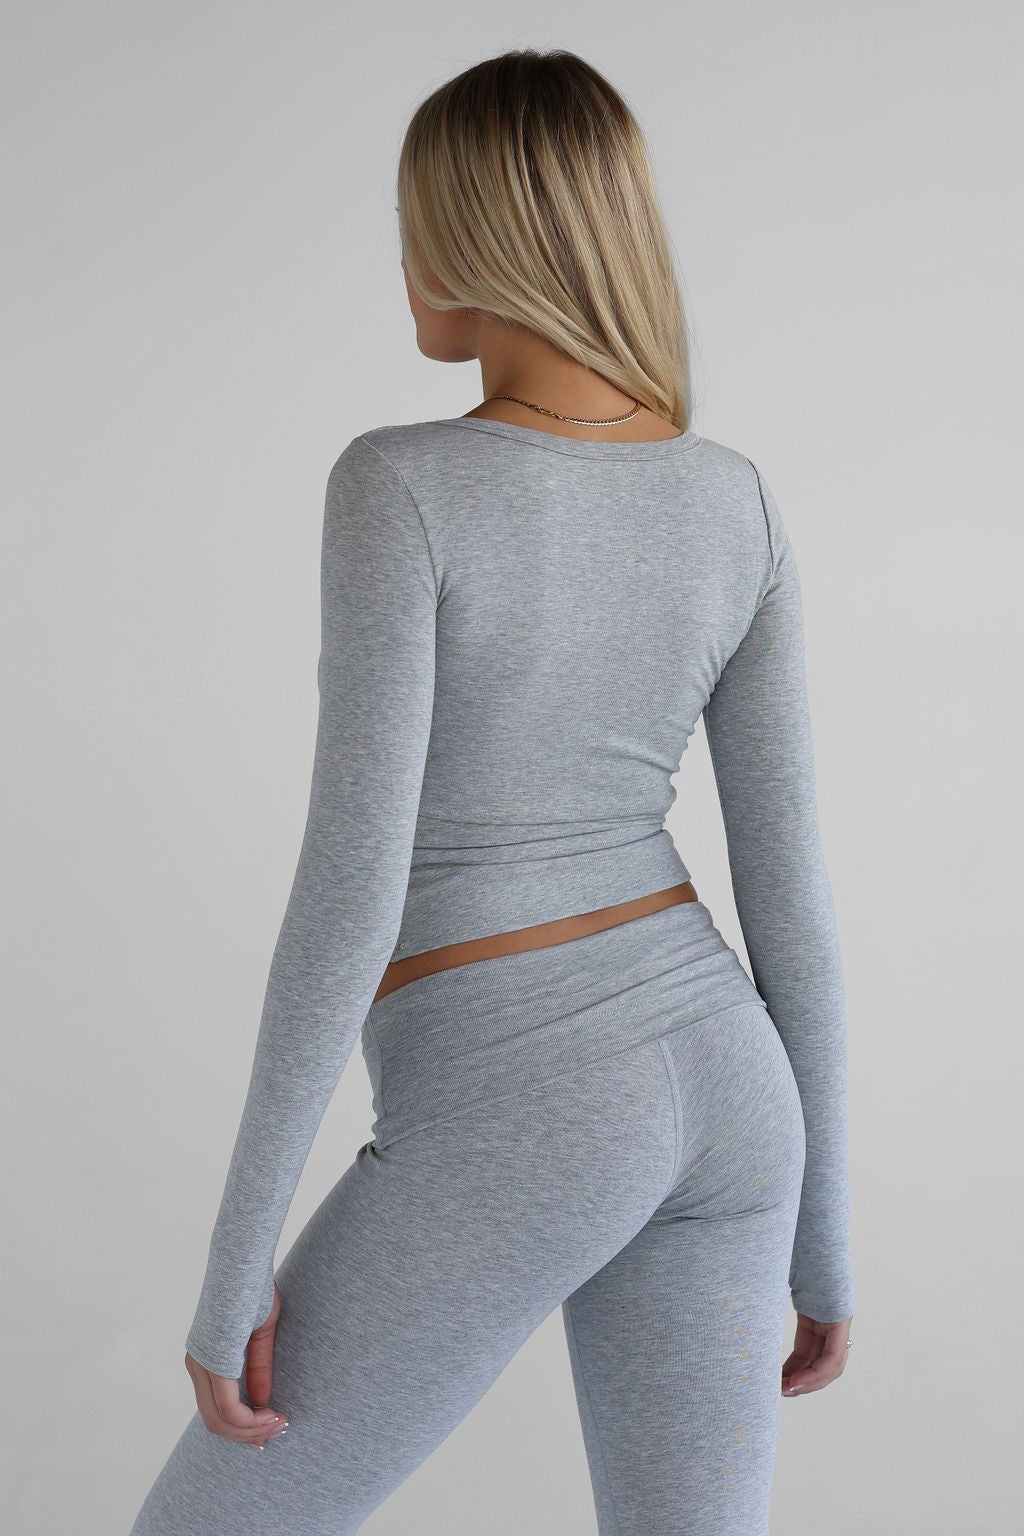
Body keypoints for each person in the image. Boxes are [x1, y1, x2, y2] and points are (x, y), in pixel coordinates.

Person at [129, 46, 854, 1536]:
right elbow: (793, 908)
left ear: (483, 238)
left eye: (417, 221)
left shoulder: (400, 486)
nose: (403, 259)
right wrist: (824, 1237)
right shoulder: (736, 499)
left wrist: (237, 1259)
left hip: (522, 1090)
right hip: (736, 1094)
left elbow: (350, 892)